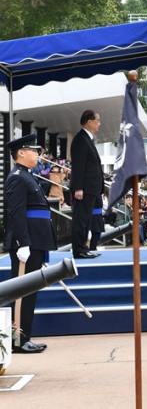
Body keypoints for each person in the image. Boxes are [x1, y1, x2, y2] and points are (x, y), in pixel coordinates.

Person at [4, 134, 56, 353]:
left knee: (30, 291)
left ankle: (25, 336)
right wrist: (22, 242)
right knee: (22, 292)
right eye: (33, 150)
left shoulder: (28, 175)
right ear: (21, 153)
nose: (37, 154)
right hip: (27, 243)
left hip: (36, 241)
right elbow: (16, 212)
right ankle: (18, 340)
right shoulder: (17, 176)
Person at [70, 110, 104, 259]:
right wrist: (78, 187)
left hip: (91, 188)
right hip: (84, 188)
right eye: (97, 120)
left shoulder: (87, 139)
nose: (99, 124)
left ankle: (83, 247)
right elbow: (79, 165)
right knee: (80, 219)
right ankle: (78, 249)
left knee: (86, 220)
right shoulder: (80, 139)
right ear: (89, 122)